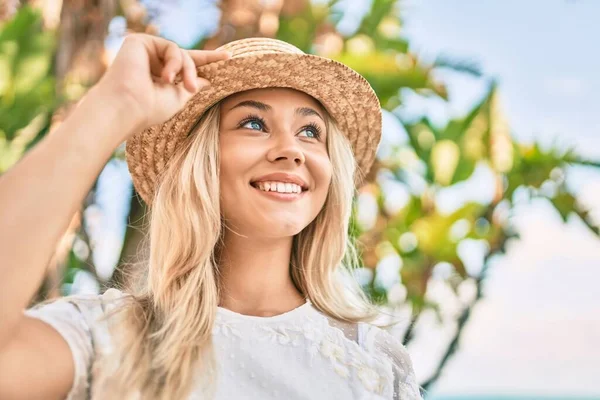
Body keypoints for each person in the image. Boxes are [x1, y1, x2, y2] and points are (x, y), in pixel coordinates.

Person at [0, 33, 422, 399]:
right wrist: (115, 105)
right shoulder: (111, 336)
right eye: (254, 123)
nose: (291, 149)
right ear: (201, 161)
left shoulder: (377, 364)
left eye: (310, 131)